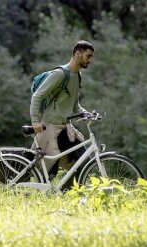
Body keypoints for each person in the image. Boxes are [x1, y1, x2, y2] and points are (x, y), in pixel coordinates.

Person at [30, 40, 94, 189]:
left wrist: (84, 113)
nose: (90, 60)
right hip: (50, 127)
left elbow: (73, 103)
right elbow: (37, 96)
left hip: (65, 128)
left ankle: (66, 193)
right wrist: (35, 121)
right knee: (48, 173)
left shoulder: (77, 76)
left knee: (83, 162)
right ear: (78, 54)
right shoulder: (59, 74)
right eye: (88, 56)